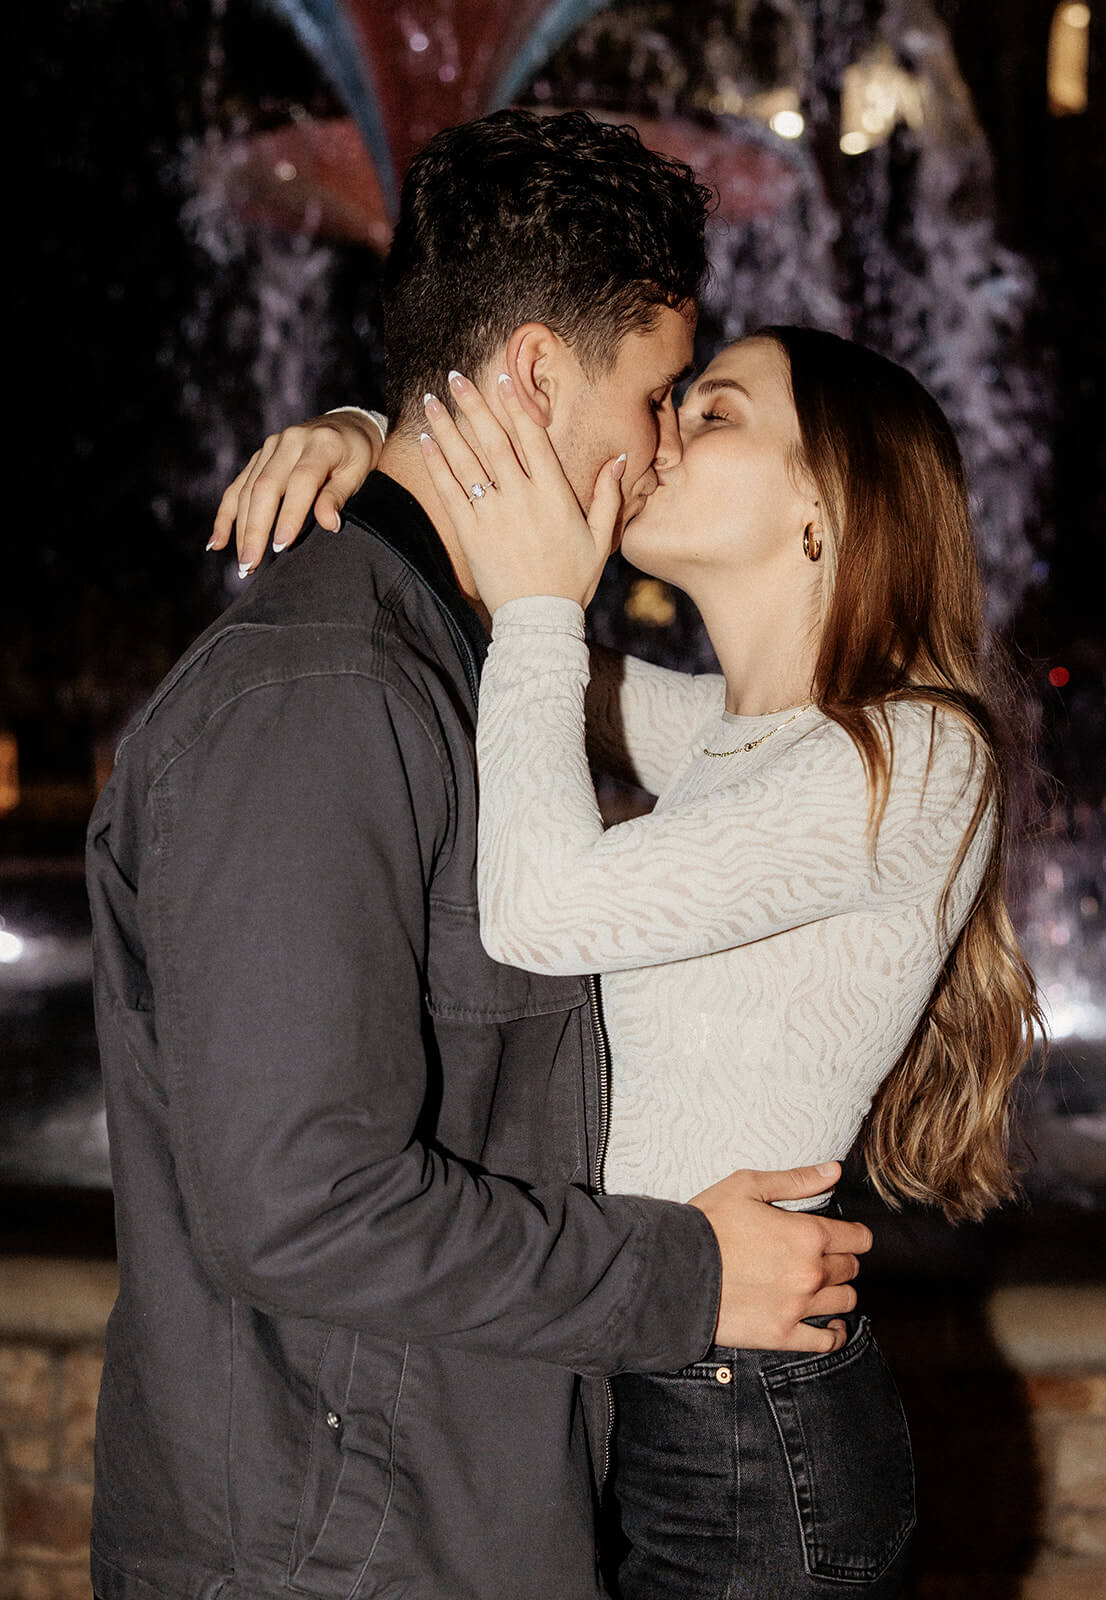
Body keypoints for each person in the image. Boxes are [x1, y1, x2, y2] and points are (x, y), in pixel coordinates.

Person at [87, 110, 874, 1600]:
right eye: (655, 399)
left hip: (436, 1529)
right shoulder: (320, 700)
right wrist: (686, 1280)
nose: (655, 454)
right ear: (529, 375)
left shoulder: (462, 668)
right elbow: (303, 1198)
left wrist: (374, 437)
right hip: (338, 1561)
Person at [222, 326, 1041, 1598]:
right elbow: (513, 657)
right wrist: (371, 439)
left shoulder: (919, 756)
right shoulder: (748, 734)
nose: (659, 437)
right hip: (673, 1364)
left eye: (712, 414)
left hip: (750, 1434)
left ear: (826, 500)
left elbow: (543, 908)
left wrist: (549, 601)